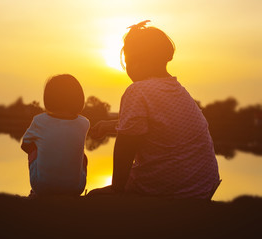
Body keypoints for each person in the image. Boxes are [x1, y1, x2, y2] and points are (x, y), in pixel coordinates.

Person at [89, 20, 220, 199]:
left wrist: (117, 189)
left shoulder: (137, 90)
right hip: (202, 187)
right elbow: (148, 124)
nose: (128, 68)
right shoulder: (177, 90)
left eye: (129, 61)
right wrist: (107, 125)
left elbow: (126, 144)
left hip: (169, 187)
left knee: (95, 197)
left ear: (138, 61)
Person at [21, 74, 90, 196]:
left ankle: (40, 186)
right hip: (76, 188)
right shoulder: (84, 123)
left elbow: (25, 145)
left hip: (41, 187)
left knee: (34, 149)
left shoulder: (39, 121)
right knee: (82, 157)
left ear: (48, 99)